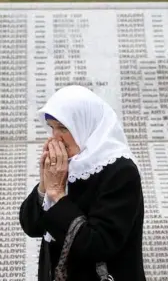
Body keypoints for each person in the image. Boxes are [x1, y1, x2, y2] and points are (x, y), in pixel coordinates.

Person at [19, 85, 146, 281]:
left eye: (63, 128)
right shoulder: (70, 164)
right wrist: (45, 184)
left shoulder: (121, 172)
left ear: (85, 124)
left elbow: (99, 244)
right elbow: (32, 227)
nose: (56, 137)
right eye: (52, 128)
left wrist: (58, 194)